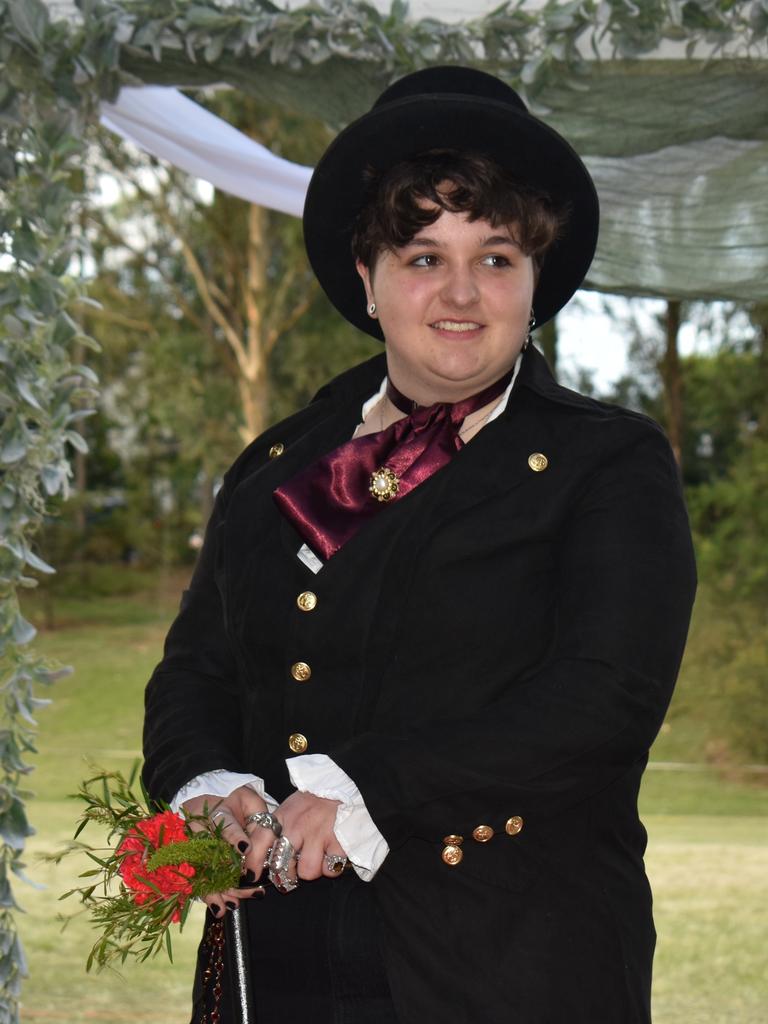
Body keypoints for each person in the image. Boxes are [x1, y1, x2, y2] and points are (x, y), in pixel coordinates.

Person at [142, 66, 697, 1024]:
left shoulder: (608, 464)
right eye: (422, 256)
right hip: (282, 965)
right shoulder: (278, 463)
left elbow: (603, 697)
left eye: (495, 258)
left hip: (507, 961)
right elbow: (200, 669)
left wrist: (372, 786)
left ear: (536, 284)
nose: (461, 293)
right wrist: (208, 788)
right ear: (367, 278)